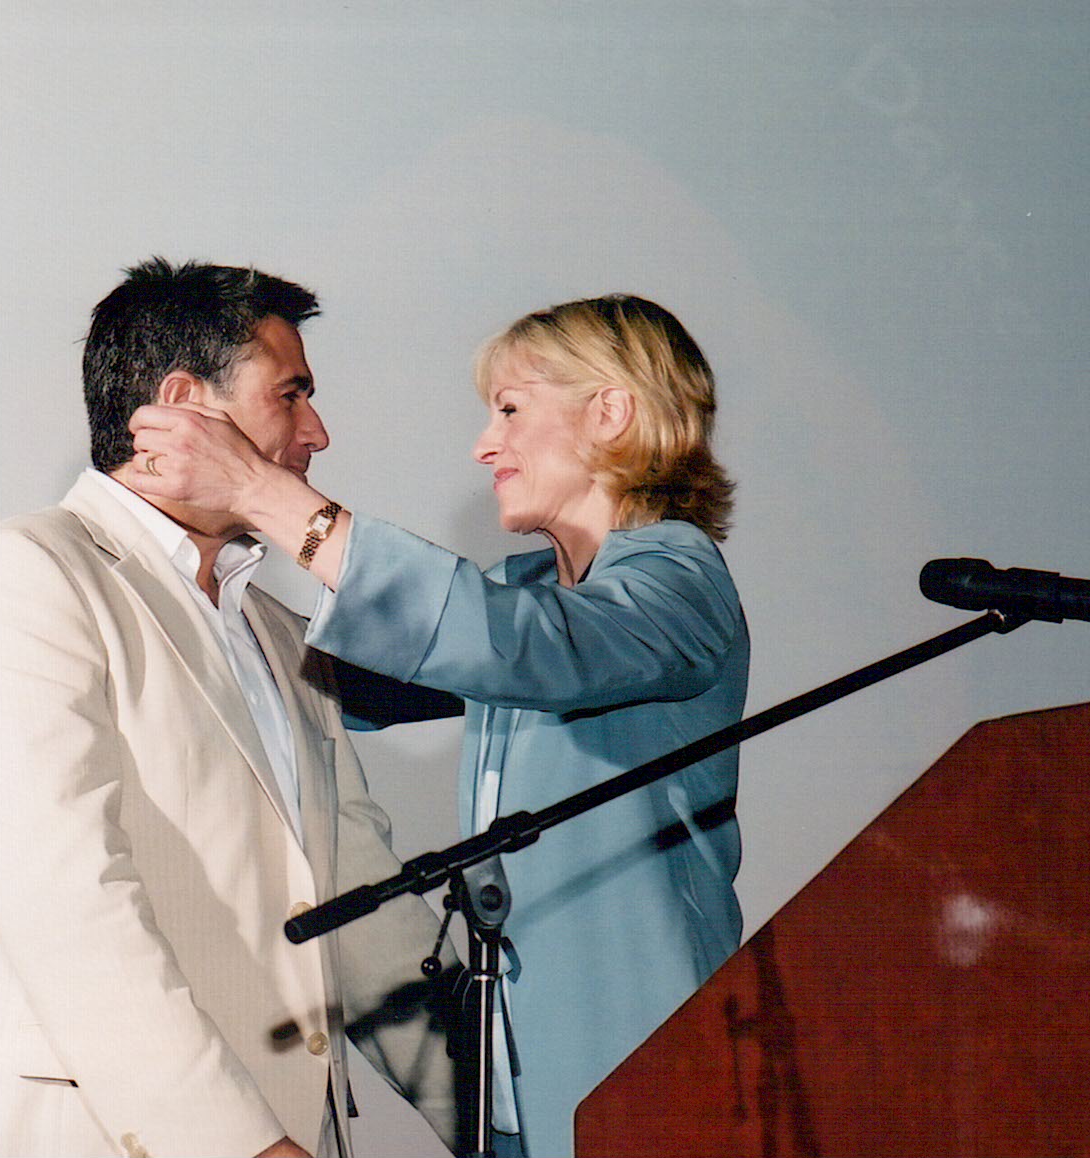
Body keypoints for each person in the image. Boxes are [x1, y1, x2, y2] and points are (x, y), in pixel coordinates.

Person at [122, 294, 749, 1158]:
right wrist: (101, 582)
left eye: (510, 410)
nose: (484, 445)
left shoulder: (679, 579)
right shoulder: (530, 594)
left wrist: (267, 497)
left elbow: (516, 647)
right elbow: (316, 677)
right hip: (517, 1092)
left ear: (610, 412)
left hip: (651, 1074)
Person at [0, 259, 457, 1158]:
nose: (317, 432)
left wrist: (524, 1122)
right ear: (183, 405)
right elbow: (70, 911)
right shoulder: (24, 575)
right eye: (292, 394)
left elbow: (357, 903)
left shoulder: (281, 634)